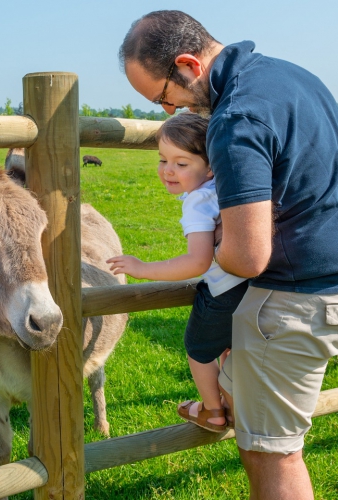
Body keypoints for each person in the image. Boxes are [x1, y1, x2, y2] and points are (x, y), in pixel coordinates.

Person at [120, 10, 338, 499]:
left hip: (300, 301)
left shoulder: (236, 116)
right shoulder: (288, 75)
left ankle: (221, 397)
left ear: (188, 65)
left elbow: (246, 258)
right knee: (254, 422)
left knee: (273, 455)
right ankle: (222, 397)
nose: (166, 111)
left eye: (162, 96)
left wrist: (202, 261)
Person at [106, 112, 247, 432]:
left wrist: (143, 269)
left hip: (223, 291)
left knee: (198, 351)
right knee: (230, 346)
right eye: (162, 160)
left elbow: (198, 261)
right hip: (253, 286)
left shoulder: (198, 201)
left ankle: (213, 411)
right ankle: (231, 401)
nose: (168, 170)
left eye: (181, 164)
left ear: (209, 166)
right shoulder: (226, 186)